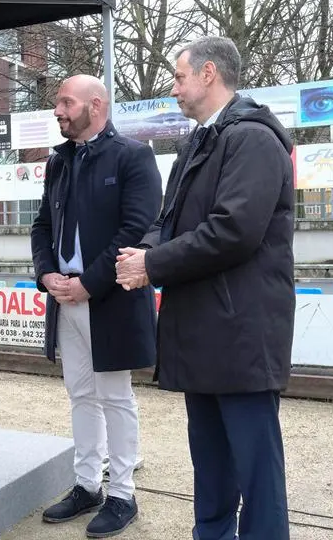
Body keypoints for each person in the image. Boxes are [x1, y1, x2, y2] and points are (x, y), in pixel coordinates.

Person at [115, 36, 295, 539]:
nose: (173, 88)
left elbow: (233, 231)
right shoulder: (200, 139)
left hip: (241, 335)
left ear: (208, 74)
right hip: (205, 333)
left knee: (257, 475)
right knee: (211, 467)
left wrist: (154, 264)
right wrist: (141, 254)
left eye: (178, 77)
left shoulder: (253, 139)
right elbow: (167, 220)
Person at [30, 74, 161, 538]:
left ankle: (122, 494)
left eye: (66, 102)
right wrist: (46, 274)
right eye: (58, 103)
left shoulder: (133, 156)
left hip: (108, 301)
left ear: (96, 106)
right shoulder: (58, 162)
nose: (58, 110)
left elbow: (137, 231)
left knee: (115, 397)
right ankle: (88, 484)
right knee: (80, 394)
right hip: (65, 298)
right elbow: (42, 225)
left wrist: (88, 284)